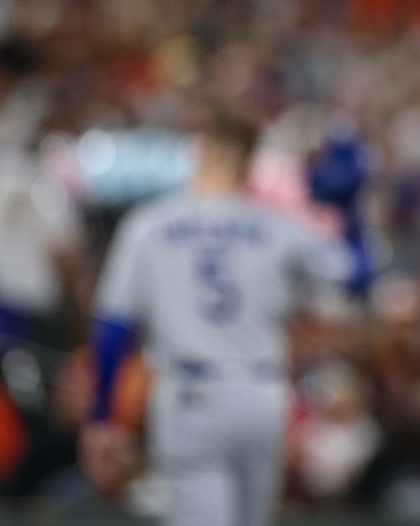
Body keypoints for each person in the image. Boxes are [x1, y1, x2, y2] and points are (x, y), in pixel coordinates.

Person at [79, 100, 348, 526]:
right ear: (248, 163)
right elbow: (347, 283)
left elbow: (114, 326)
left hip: (191, 396)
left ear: (200, 152)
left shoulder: (149, 223)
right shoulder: (282, 228)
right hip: (263, 394)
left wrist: (102, 417)